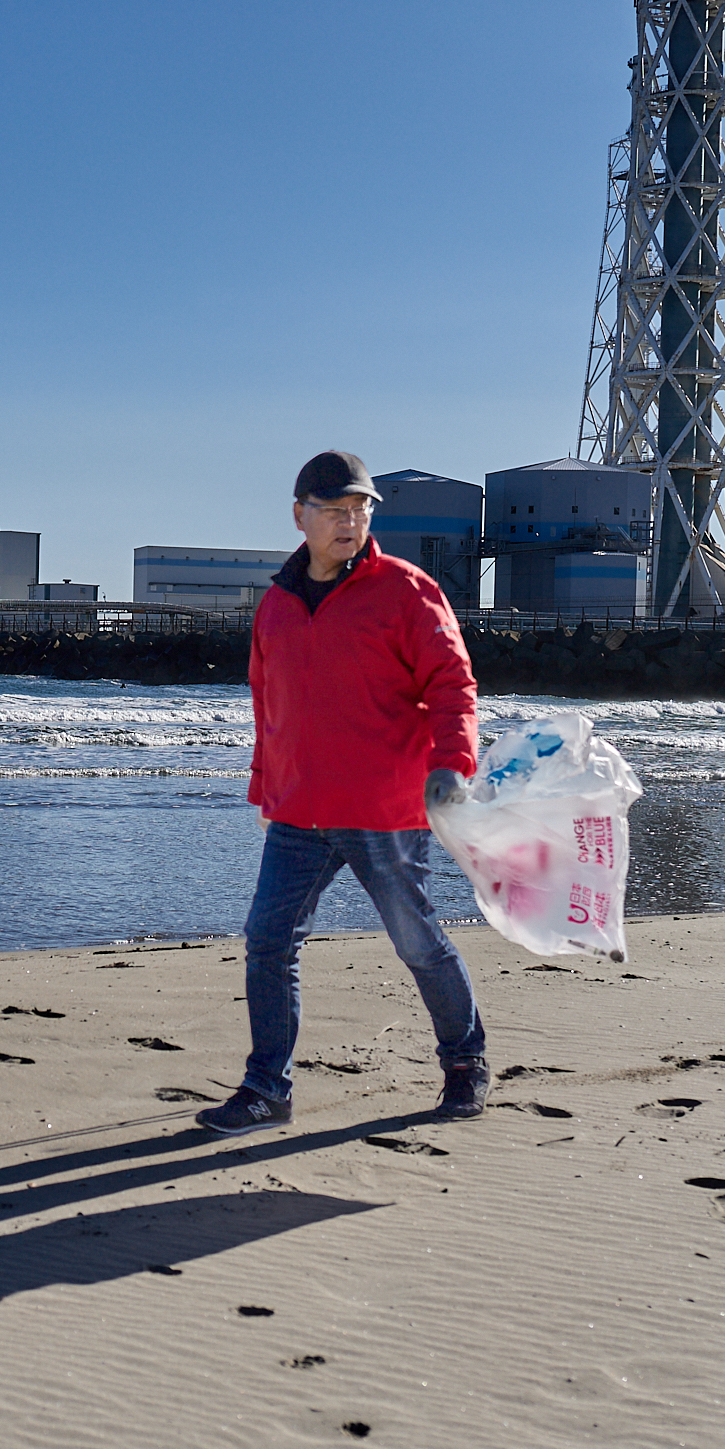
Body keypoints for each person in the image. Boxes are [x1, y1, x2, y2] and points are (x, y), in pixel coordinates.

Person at [196, 450, 489, 1137]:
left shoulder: (407, 590)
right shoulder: (276, 604)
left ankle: (464, 1063)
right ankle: (267, 1089)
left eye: (360, 510)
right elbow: (270, 704)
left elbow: (453, 685)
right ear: (300, 517)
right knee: (268, 941)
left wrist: (453, 764)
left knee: (417, 943)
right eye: (334, 511)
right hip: (299, 812)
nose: (349, 522)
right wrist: (267, 787)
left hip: (382, 811)